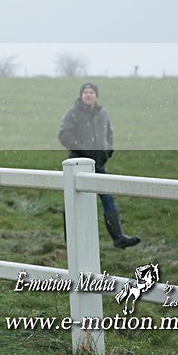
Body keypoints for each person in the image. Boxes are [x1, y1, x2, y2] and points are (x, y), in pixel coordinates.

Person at [58, 82, 140, 249]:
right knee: (72, 202)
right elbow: (63, 134)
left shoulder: (103, 113)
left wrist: (108, 150)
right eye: (86, 92)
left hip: (99, 165)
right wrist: (82, 150)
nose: (89, 95)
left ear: (96, 95)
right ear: (81, 95)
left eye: (92, 92)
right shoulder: (73, 113)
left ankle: (118, 238)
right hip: (77, 165)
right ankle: (70, 241)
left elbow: (110, 133)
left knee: (108, 199)